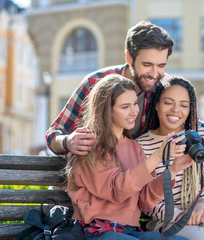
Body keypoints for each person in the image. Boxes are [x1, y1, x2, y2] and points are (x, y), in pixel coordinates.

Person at [46, 21, 204, 165]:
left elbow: (192, 121)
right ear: (129, 57)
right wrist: (67, 141)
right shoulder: (95, 83)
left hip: (141, 184)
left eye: (161, 65)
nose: (155, 74)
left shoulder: (162, 87)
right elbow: (54, 133)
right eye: (147, 64)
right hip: (97, 180)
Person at [66, 74, 193, 240]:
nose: (134, 112)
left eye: (135, 104)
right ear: (106, 110)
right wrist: (157, 157)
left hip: (129, 231)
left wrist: (173, 170)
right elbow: (117, 190)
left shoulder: (135, 147)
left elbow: (143, 201)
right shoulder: (90, 145)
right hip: (97, 230)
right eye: (125, 106)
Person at [136, 75, 204, 240]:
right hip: (171, 218)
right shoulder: (141, 146)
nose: (176, 110)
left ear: (190, 109)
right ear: (157, 104)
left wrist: (203, 204)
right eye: (168, 102)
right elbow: (146, 201)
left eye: (184, 105)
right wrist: (184, 215)